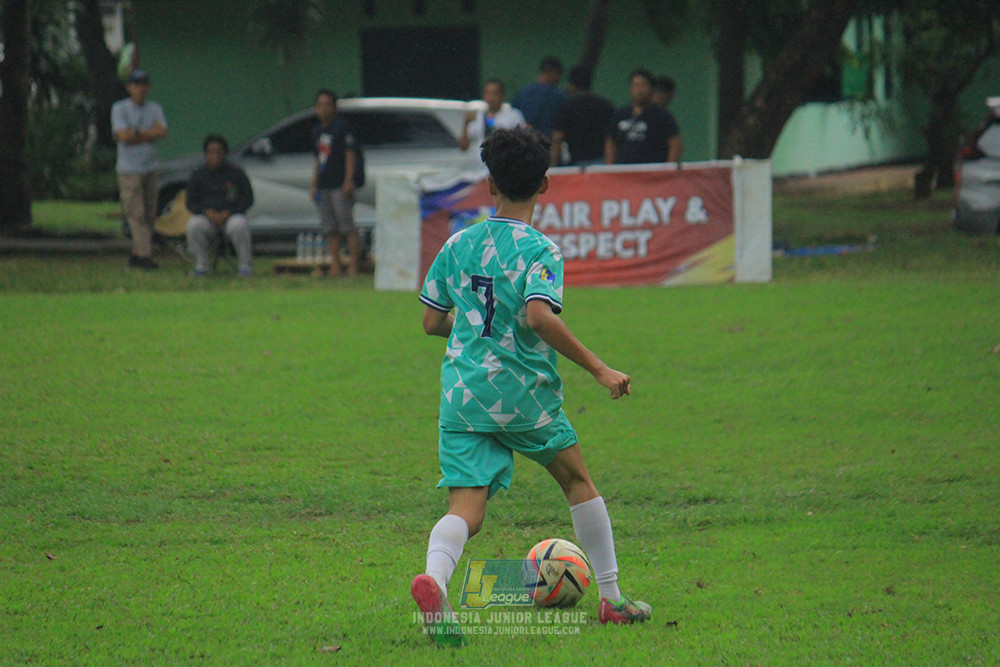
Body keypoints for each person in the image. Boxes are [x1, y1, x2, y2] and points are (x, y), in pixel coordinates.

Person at [411, 127, 651, 647]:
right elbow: (539, 317)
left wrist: (475, 330)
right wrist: (599, 368)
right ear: (545, 185)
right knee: (577, 483)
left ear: (489, 183)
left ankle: (437, 583)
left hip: (464, 395)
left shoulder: (457, 244)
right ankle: (611, 598)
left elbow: (432, 323)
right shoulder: (541, 249)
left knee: (465, 511)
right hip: (524, 396)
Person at [111, 69, 168, 270]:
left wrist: (135, 133)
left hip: (150, 167)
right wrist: (147, 133)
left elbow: (162, 131)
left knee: (150, 213)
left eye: (144, 84)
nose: (140, 88)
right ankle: (145, 256)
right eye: (136, 84)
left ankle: (137, 254)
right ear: (129, 87)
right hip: (129, 169)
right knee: (135, 214)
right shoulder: (120, 108)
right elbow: (122, 136)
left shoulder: (154, 108)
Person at [185, 134, 254, 277]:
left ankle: (245, 266)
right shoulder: (198, 174)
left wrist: (230, 212)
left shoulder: (236, 173)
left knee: (239, 225)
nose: (215, 155)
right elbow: (190, 202)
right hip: (207, 218)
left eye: (219, 151)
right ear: (206, 154)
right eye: (211, 152)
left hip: (230, 216)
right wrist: (206, 212)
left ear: (225, 153)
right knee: (194, 225)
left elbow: (248, 199)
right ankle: (202, 265)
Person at [310, 89, 361, 277]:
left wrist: (348, 180)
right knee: (330, 228)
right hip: (324, 184)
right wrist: (314, 183)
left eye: (327, 105)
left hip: (340, 183)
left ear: (334, 107)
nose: (324, 109)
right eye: (320, 105)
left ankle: (354, 266)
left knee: (347, 226)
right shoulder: (317, 131)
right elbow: (318, 158)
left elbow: (350, 154)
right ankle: (335, 265)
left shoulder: (342, 128)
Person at [605, 68, 682, 165]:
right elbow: (611, 142)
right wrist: (610, 168)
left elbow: (675, 144)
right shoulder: (621, 114)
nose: (639, 90)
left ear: (652, 88)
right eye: (636, 86)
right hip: (624, 173)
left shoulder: (662, 116)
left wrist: (668, 169)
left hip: (652, 174)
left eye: (643, 86)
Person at [550, 65, 615, 166]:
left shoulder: (566, 107)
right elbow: (611, 137)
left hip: (576, 164)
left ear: (572, 85)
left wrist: (552, 167)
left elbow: (557, 139)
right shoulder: (606, 105)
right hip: (601, 162)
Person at [458, 79, 526, 152]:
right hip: (481, 161)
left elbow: (522, 143)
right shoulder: (478, 116)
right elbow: (463, 147)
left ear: (503, 95)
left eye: (495, 93)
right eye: (487, 93)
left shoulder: (514, 115)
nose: (491, 97)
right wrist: (466, 124)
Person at [511, 56, 567, 138]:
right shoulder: (559, 96)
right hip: (548, 144)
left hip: (523, 143)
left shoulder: (521, 93)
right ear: (554, 73)